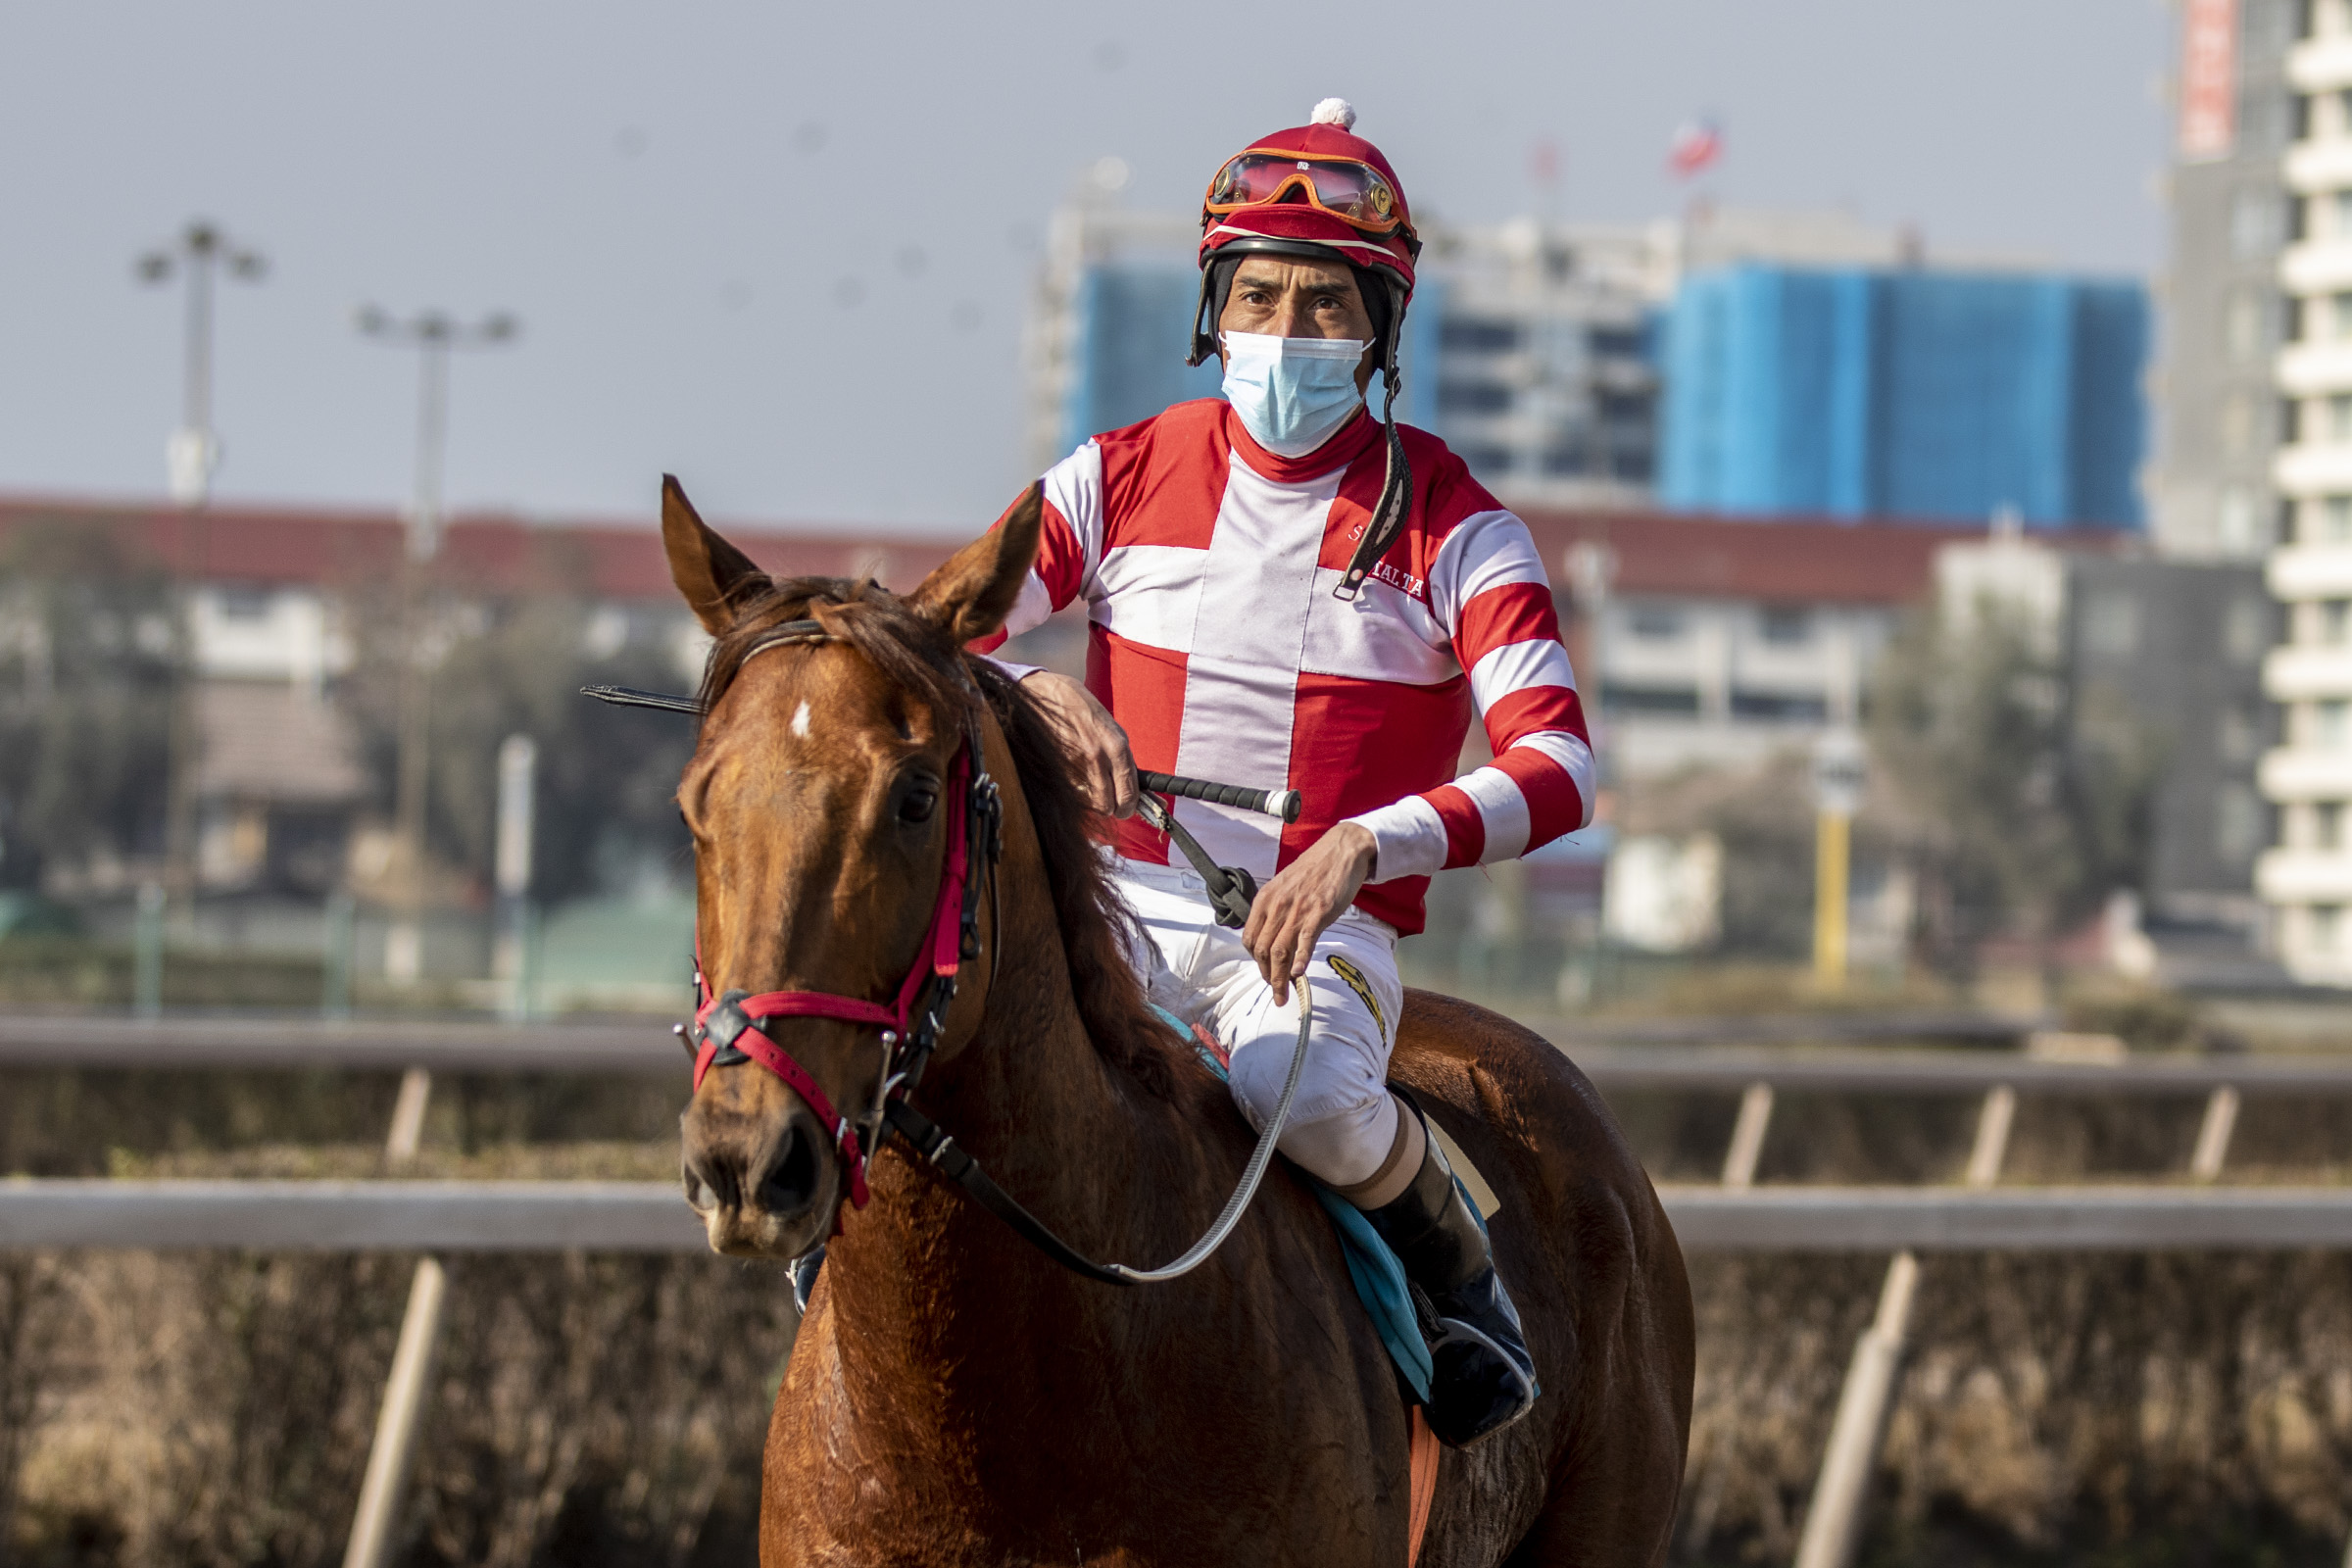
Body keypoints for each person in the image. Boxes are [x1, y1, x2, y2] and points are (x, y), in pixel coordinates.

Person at [980, 99, 1593, 1448]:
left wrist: (1365, 845)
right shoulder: (1114, 476)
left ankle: (1462, 1281)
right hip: (1113, 912)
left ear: (1382, 330)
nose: (1286, 331)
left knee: (1299, 1098)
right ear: (1214, 311)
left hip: (1318, 941)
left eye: (1327, 305)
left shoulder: (1458, 525)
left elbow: (1558, 767)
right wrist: (1038, 689)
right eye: (1258, 296)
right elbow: (939, 632)